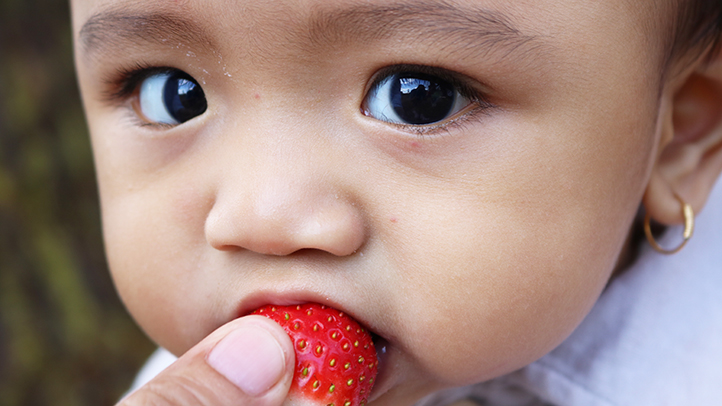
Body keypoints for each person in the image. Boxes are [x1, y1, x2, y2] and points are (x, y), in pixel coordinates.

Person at [69, 0, 722, 404]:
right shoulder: (209, 384)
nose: (260, 216)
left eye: (419, 96)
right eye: (171, 92)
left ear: (677, 141)